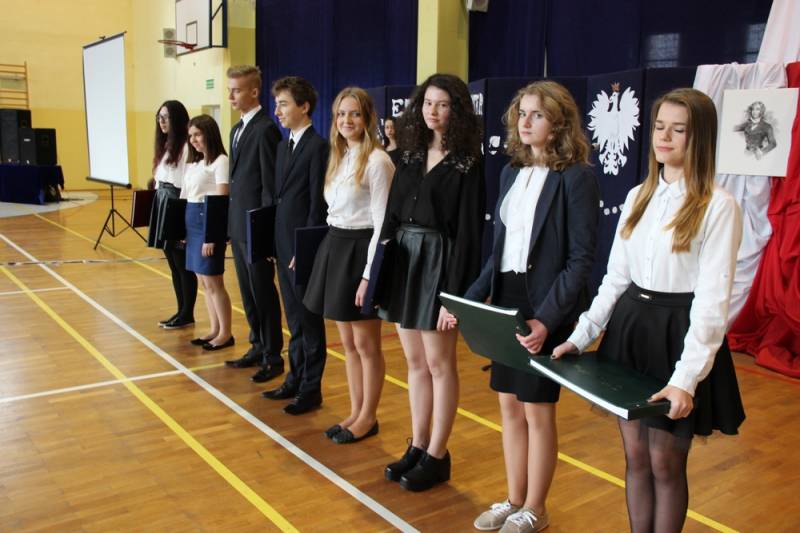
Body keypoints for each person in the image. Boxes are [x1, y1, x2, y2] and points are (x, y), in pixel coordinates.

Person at [553, 88, 746, 533]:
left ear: (700, 138)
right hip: (631, 331)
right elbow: (615, 279)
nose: (664, 137)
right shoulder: (639, 194)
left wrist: (685, 380)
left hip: (677, 335)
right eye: (659, 127)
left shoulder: (719, 205)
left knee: (664, 462)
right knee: (636, 456)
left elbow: (712, 302)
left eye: (678, 130)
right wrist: (580, 336)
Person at [447, 81, 600, 533]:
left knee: (537, 410)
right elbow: (500, 253)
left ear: (559, 123)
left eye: (537, 114)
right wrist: (468, 301)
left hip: (546, 306)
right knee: (510, 407)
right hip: (509, 300)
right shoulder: (512, 173)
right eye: (522, 113)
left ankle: (536, 507)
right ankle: (514, 499)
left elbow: (580, 260)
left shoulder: (576, 177)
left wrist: (547, 320)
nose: (525, 121)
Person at [378, 73, 485, 491]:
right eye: (427, 103)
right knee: (415, 363)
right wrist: (379, 270)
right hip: (406, 260)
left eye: (442, 104)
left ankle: (438, 454)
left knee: (440, 364)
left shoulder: (468, 162)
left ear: (456, 110)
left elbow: (469, 235)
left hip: (440, 262)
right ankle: (418, 444)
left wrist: (453, 298)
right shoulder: (408, 154)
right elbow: (391, 215)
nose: (433, 111)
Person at [303, 87, 394, 441]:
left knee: (367, 345)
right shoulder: (338, 156)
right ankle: (355, 412)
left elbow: (382, 224)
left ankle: (368, 417)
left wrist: (369, 275)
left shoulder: (378, 162)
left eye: (355, 113)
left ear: (368, 118)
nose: (346, 120)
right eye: (341, 114)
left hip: (362, 251)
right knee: (349, 344)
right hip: (336, 246)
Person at [260, 76, 329, 415]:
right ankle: (295, 377)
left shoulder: (318, 147)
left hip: (302, 247)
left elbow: (317, 204)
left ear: (304, 106)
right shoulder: (283, 147)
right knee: (294, 319)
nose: (277, 111)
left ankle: (311, 388)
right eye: (276, 105)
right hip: (283, 245)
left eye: (284, 104)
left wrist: (306, 249)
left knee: (309, 320)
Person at [223, 65, 285, 383]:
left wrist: (263, 231)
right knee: (247, 293)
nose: (230, 96)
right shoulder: (237, 129)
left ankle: (273, 355)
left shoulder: (265, 129)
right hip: (239, 225)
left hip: (255, 227)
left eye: (236, 90)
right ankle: (257, 345)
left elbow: (269, 187)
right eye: (229, 90)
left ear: (254, 91)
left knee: (263, 291)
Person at [181, 115, 233, 351]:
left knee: (214, 282)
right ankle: (214, 329)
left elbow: (221, 200)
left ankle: (225, 333)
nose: (193, 140)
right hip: (193, 224)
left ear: (209, 134)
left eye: (198, 134)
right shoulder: (194, 164)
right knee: (203, 282)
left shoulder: (221, 161)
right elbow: (186, 197)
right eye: (190, 136)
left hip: (207, 224)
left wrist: (211, 236)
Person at [147, 100, 197, 330]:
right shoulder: (166, 145)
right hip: (163, 203)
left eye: (166, 117)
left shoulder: (185, 147)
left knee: (181, 263)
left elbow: (186, 183)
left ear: (177, 118)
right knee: (173, 264)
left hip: (176, 205)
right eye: (159, 117)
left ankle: (187, 313)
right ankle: (180, 310)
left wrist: (183, 219)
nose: (162, 121)